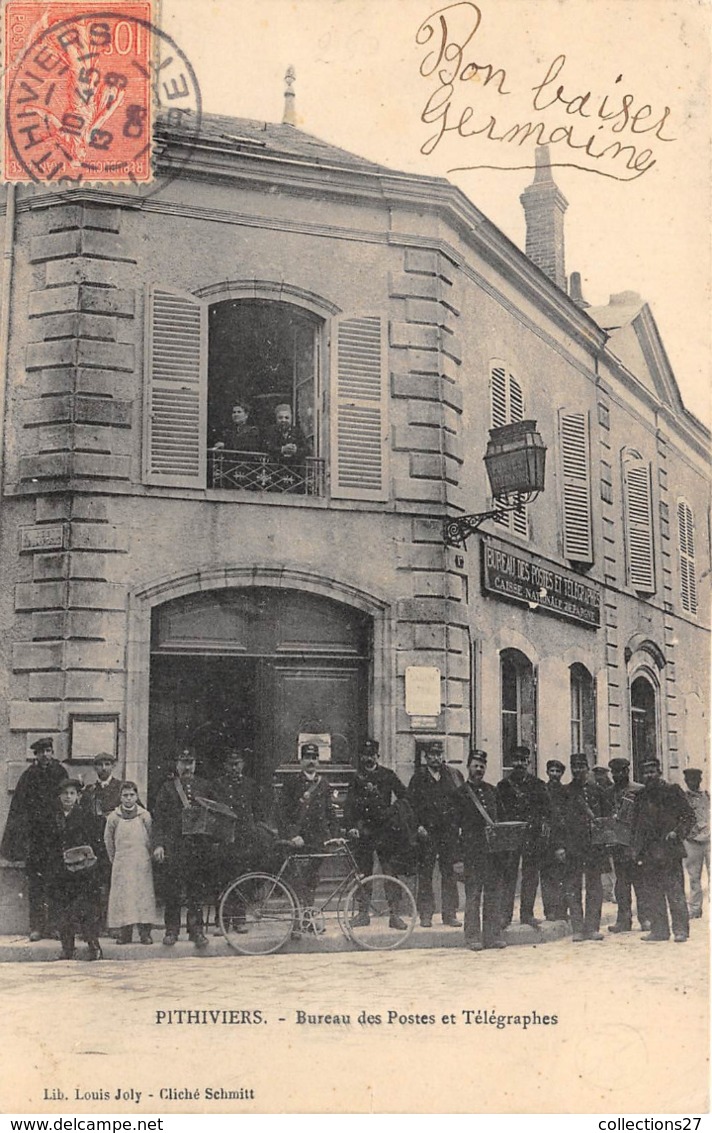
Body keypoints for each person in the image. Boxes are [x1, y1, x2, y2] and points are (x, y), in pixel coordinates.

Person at [1, 736, 68, 941]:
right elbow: (18, 809)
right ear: (36, 755)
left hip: (56, 838)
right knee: (37, 885)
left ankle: (56, 926)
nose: (46, 755)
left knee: (57, 883)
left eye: (49, 751)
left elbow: (68, 800)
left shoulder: (60, 773)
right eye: (42, 752)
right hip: (36, 839)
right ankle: (37, 927)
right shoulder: (28, 776)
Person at [152, 748, 215, 949]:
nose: (187, 767)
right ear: (177, 764)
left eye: (190, 762)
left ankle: (196, 930)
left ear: (195, 764)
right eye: (183, 762)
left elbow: (215, 814)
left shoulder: (205, 786)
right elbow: (159, 819)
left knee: (196, 890)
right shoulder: (167, 788)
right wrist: (158, 844)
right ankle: (171, 930)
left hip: (198, 846)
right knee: (173, 890)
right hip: (174, 845)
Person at [344, 739, 408, 931]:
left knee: (390, 872)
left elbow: (405, 796)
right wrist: (351, 826)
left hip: (385, 831)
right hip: (364, 832)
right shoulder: (356, 778)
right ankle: (363, 914)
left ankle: (394, 915)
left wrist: (393, 812)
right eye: (365, 755)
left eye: (372, 754)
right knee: (364, 873)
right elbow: (349, 806)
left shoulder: (388, 775)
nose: (368, 758)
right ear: (361, 757)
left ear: (377, 756)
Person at [633, 756, 695, 943]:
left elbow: (688, 816)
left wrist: (678, 832)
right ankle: (659, 931)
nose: (649, 775)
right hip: (650, 851)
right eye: (645, 773)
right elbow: (636, 825)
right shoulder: (641, 796)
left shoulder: (672, 791)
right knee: (653, 892)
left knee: (674, 891)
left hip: (669, 849)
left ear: (659, 772)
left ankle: (680, 930)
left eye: (652, 771)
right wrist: (636, 849)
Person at [554, 752, 613, 942]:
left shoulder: (597, 791)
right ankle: (578, 928)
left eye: (582, 766)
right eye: (575, 767)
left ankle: (592, 927)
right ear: (571, 769)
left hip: (594, 846)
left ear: (587, 768)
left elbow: (606, 818)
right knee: (573, 886)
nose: (578, 770)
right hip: (573, 845)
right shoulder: (564, 792)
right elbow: (558, 822)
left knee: (594, 887)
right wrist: (560, 846)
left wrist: (605, 841)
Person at [280, 743, 338, 928]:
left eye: (314, 758)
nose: (311, 762)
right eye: (307, 758)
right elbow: (282, 813)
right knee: (298, 880)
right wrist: (292, 835)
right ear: (301, 760)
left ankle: (307, 919)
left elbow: (330, 812)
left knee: (311, 879)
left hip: (318, 840)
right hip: (298, 841)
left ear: (318, 761)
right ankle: (298, 922)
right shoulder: (292, 783)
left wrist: (336, 835)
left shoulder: (324, 784)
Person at [406, 740, 463, 928]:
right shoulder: (418, 778)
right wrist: (417, 826)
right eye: (432, 754)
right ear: (426, 757)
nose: (436, 758)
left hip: (448, 833)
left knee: (449, 873)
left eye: (439, 754)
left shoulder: (453, 775)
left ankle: (450, 913)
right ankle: (426, 914)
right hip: (427, 833)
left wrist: (458, 825)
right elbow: (410, 807)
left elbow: (461, 801)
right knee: (425, 874)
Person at [455, 749, 506, 951]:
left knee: (493, 894)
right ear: (468, 767)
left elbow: (500, 821)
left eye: (482, 766)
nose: (479, 769)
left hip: (491, 853)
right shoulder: (459, 795)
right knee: (474, 895)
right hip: (472, 853)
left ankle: (492, 936)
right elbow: (454, 828)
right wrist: (457, 858)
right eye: (475, 765)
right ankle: (472, 937)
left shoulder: (492, 791)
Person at [496, 746, 550, 929]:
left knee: (530, 875)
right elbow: (499, 814)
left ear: (528, 762)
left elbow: (546, 811)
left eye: (523, 760)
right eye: (516, 760)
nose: (519, 763)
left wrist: (541, 826)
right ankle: (505, 915)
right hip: (510, 837)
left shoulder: (538, 785)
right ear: (512, 762)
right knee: (508, 875)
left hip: (532, 836)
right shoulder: (503, 786)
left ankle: (527, 914)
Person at [53, 778, 102, 961]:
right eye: (65, 793)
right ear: (59, 796)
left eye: (72, 793)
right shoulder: (53, 816)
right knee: (63, 910)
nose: (68, 797)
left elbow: (94, 842)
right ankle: (67, 948)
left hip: (82, 872)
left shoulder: (86, 816)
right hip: (60, 871)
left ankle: (93, 945)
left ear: (78, 796)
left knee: (86, 909)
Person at [104, 781, 157, 945]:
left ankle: (145, 933)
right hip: (122, 862)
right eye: (125, 795)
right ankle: (125, 933)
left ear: (137, 796)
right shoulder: (114, 817)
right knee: (124, 897)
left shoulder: (144, 816)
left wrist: (147, 857)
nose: (128, 799)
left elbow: (151, 837)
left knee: (142, 896)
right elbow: (108, 841)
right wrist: (115, 859)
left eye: (131, 795)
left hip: (141, 862)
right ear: (120, 797)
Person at [79, 751, 123, 931]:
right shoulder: (90, 791)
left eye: (107, 764)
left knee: (114, 885)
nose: (104, 768)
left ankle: (114, 925)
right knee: (94, 886)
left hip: (114, 845)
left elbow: (137, 811)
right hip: (94, 846)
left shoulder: (122, 788)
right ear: (94, 767)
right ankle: (95, 926)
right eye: (100, 765)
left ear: (113, 766)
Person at [606, 758, 648, 934]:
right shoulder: (608, 792)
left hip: (636, 844)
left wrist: (639, 844)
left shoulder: (639, 790)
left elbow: (645, 820)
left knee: (640, 882)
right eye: (614, 772)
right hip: (618, 845)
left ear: (627, 771)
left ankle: (645, 919)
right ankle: (623, 920)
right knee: (621, 884)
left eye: (621, 771)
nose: (617, 775)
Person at [539, 759, 568, 921]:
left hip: (563, 837)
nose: (555, 774)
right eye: (552, 771)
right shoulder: (542, 790)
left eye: (558, 771)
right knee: (547, 876)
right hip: (546, 839)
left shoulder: (566, 791)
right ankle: (549, 910)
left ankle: (562, 910)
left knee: (563, 876)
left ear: (562, 773)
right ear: (547, 772)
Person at [682, 768, 710, 919]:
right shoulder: (683, 798)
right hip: (692, 841)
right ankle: (694, 908)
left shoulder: (707, 795)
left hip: (709, 840)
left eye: (695, 779)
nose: (692, 782)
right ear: (686, 781)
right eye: (689, 780)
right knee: (694, 876)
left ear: (699, 780)